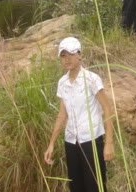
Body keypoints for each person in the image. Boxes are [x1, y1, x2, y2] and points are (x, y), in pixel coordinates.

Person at [45, 37, 114, 192]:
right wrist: (51, 144)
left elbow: (107, 109)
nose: (67, 58)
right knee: (76, 186)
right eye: (63, 55)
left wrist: (109, 143)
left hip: (91, 141)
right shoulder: (62, 83)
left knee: (95, 186)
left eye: (71, 53)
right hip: (71, 141)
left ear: (79, 55)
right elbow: (62, 115)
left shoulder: (91, 79)